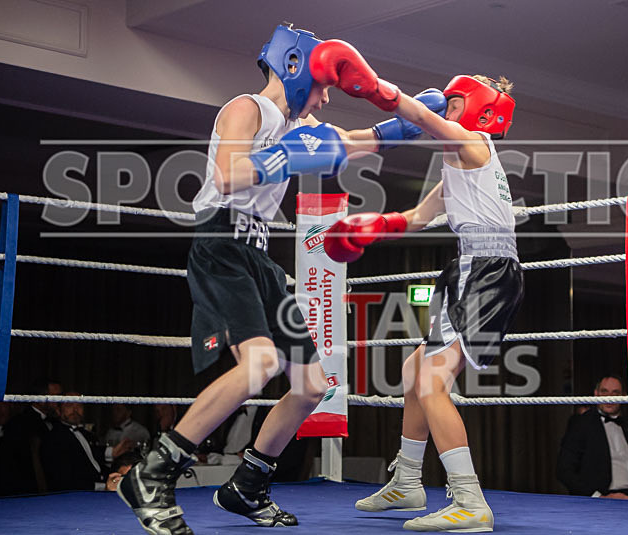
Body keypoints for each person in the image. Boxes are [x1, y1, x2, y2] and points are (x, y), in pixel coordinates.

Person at [118, 24, 444, 535]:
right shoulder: (244, 107)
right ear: (296, 69)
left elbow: (351, 142)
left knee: (312, 385)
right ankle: (153, 473)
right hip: (222, 245)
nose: (327, 96)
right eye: (323, 85)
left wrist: (406, 124)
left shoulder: (300, 125)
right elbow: (225, 175)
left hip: (260, 256)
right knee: (261, 364)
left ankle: (246, 486)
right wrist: (288, 155)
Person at [316, 41, 523, 532]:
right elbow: (416, 217)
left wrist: (374, 92)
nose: (446, 107)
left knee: (432, 382)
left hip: (486, 269)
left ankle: (470, 501)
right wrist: (371, 226)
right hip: (471, 266)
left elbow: (424, 119)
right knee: (415, 370)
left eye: (456, 101)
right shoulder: (459, 164)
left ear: (481, 110)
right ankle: (408, 481)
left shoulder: (474, 144)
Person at [556, 376, 628, 500]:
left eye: (615, 393)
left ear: (624, 396)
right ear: (596, 394)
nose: (609, 397)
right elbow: (564, 470)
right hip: (605, 498)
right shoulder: (581, 424)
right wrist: (599, 497)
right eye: (604, 391)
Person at [40, 393, 122, 491]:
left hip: (100, 482)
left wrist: (113, 452)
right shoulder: (55, 438)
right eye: (69, 405)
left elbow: (92, 453)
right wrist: (103, 487)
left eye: (79, 405)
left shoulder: (85, 433)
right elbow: (64, 480)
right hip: (80, 492)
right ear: (58, 410)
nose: (75, 410)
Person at [0, 378, 61, 495]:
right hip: (27, 491)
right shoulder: (21, 423)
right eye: (55, 397)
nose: (60, 401)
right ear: (40, 398)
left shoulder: (54, 420)